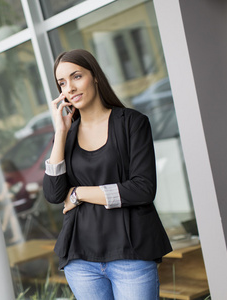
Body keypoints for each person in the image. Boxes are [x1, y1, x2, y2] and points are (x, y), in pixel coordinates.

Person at [43, 49, 172, 300]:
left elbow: (143, 189)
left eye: (76, 76)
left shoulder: (132, 123)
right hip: (80, 260)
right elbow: (54, 193)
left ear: (96, 77)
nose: (69, 87)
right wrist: (60, 133)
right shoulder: (66, 136)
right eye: (62, 83)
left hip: (131, 254)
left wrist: (79, 193)